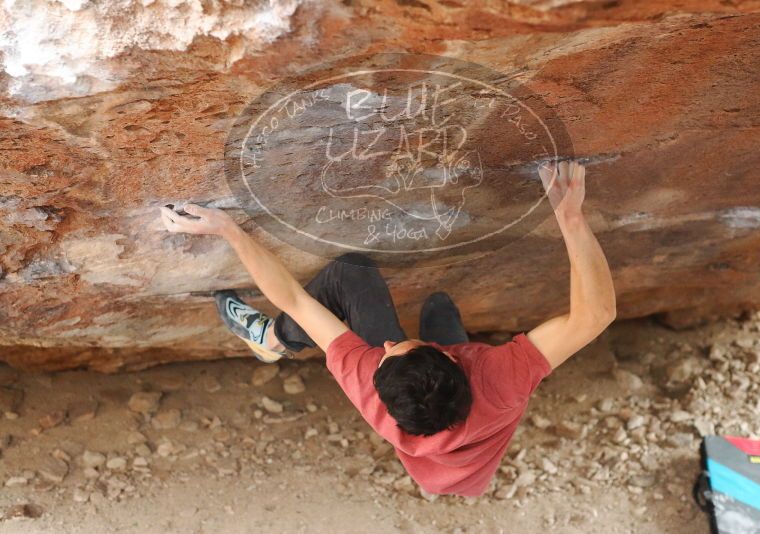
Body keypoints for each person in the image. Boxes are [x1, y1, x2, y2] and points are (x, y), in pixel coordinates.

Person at [158, 160, 616, 497]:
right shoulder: (500, 378)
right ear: (452, 357)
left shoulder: (364, 377)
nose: (389, 342)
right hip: (470, 465)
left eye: (389, 350)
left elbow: (293, 298)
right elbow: (594, 315)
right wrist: (571, 217)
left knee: (353, 273)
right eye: (398, 347)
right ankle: (438, 346)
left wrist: (229, 231)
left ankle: (273, 340)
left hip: (436, 466)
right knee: (439, 309)